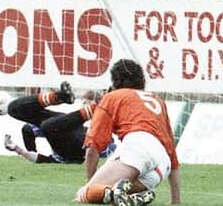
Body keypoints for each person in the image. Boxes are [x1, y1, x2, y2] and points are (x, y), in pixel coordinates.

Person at [75, 59, 180, 206]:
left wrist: (91, 186)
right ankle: (128, 197)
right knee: (116, 193)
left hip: (139, 147)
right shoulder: (158, 100)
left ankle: (109, 192)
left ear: (115, 82)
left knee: (84, 194)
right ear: (142, 80)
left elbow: (93, 146)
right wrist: (176, 200)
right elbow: (172, 152)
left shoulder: (113, 97)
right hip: (161, 165)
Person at [2, 86, 115, 164]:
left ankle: (97, 108)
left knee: (48, 126)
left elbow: (110, 151)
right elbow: (41, 158)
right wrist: (17, 149)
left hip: (78, 149)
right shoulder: (56, 141)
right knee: (13, 109)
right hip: (65, 132)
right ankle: (58, 96)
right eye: (84, 102)